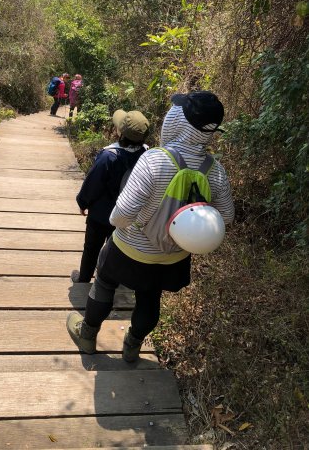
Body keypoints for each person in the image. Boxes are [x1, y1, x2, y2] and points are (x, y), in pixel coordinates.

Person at [67, 91, 235, 361]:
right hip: (174, 256)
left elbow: (120, 215)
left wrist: (134, 225)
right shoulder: (214, 170)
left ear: (179, 121)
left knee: (105, 284)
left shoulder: (155, 159)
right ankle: (132, 346)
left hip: (130, 249)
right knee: (150, 296)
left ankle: (87, 335)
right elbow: (225, 216)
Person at [72, 109, 149, 283]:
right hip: (127, 214)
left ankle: (84, 278)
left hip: (100, 214)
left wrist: (82, 202)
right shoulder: (146, 154)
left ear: (120, 132)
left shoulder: (109, 156)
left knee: (92, 246)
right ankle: (110, 281)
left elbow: (93, 183)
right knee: (116, 248)